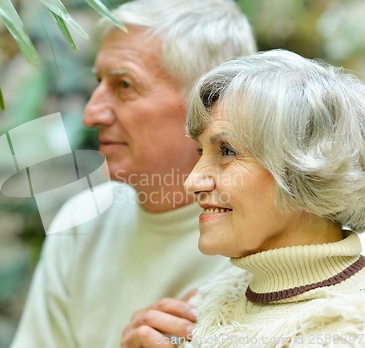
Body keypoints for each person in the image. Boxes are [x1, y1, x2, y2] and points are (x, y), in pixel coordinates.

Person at [9, 1, 256, 347]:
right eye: (98, 82)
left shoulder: (277, 240)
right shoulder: (81, 221)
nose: (91, 114)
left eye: (124, 85)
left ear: (211, 104)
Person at [122, 49, 365, 348]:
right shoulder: (211, 301)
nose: (192, 181)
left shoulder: (347, 329)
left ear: (310, 167)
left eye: (227, 151)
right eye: (201, 152)